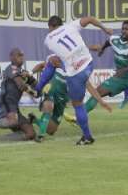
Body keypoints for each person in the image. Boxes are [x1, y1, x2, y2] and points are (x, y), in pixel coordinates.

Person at [34, 14, 112, 145]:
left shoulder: (49, 40)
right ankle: (40, 118)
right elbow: (89, 18)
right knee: (53, 124)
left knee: (78, 105)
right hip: (88, 64)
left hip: (74, 73)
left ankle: (87, 137)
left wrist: (38, 86)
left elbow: (54, 60)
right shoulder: (70, 27)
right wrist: (104, 29)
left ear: (50, 27)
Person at [32, 55, 111, 138]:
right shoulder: (57, 59)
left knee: (51, 130)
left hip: (62, 99)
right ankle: (40, 135)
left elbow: (89, 86)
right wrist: (30, 73)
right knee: (49, 105)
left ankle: (34, 120)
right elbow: (41, 65)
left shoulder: (79, 71)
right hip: (51, 91)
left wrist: (101, 101)